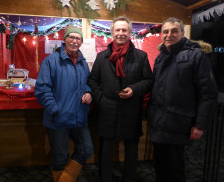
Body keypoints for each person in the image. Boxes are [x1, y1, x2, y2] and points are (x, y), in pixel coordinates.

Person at [147, 17, 218, 182]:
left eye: (174, 31)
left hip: (180, 123)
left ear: (182, 33)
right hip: (159, 123)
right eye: (165, 31)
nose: (169, 35)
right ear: (161, 34)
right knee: (160, 168)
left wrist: (200, 125)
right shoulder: (160, 57)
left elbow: (208, 93)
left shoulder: (196, 56)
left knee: (176, 170)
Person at [88, 16, 153, 182]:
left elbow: (148, 80)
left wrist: (134, 89)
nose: (121, 33)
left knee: (131, 152)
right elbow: (92, 80)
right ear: (112, 32)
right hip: (107, 109)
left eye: (124, 30)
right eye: (118, 30)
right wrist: (101, 98)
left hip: (131, 109)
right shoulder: (102, 57)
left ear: (130, 32)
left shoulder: (141, 56)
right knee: (105, 151)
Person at [34, 26, 93, 182]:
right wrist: (55, 110)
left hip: (79, 116)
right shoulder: (51, 61)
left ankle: (65, 179)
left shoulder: (82, 63)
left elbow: (87, 83)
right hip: (57, 119)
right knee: (60, 156)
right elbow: (42, 89)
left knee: (86, 149)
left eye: (78, 38)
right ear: (64, 39)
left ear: (81, 42)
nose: (74, 40)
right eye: (71, 37)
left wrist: (88, 92)